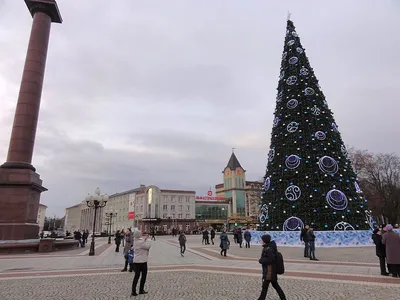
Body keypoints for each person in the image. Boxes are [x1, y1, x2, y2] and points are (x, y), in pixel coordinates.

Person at [257, 234, 286, 300]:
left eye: (262, 239)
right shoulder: (268, 247)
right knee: (274, 286)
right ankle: (283, 298)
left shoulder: (268, 249)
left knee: (265, 287)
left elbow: (271, 259)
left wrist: (261, 260)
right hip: (270, 271)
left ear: (264, 240)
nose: (261, 241)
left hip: (269, 272)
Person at [131, 230, 151, 296]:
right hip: (142, 261)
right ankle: (141, 290)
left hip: (136, 261)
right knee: (143, 276)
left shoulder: (135, 240)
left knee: (136, 276)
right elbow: (148, 246)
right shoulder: (140, 242)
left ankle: (133, 290)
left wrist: (145, 238)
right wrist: (148, 239)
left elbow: (142, 241)